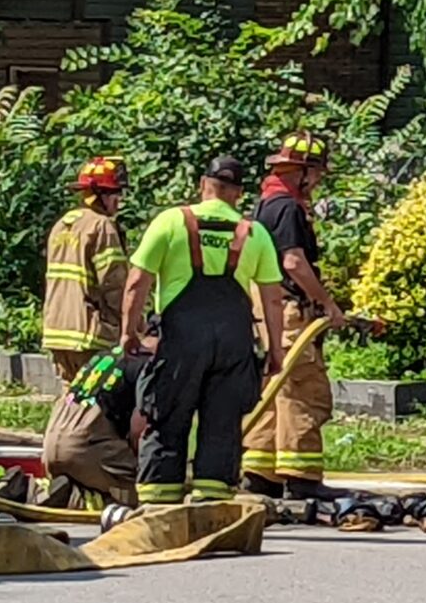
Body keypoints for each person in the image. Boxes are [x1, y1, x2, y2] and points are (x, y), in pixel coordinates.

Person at [121, 155, 287, 507]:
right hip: (234, 341)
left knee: (167, 413)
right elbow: (273, 299)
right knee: (223, 420)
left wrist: (129, 332)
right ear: (239, 194)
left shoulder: (171, 221)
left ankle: (157, 501)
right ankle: (211, 497)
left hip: (180, 340)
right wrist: (276, 351)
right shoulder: (254, 233)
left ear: (203, 185)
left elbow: (137, 282)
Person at [242, 135, 344, 501]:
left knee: (272, 389)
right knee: (304, 390)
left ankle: (261, 473)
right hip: (290, 311)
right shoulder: (288, 208)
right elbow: (294, 262)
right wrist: (327, 304)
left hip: (267, 309)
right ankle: (303, 477)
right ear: (301, 172)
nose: (317, 182)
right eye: (315, 173)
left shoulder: (265, 204)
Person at [40, 157, 130, 387]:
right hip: (89, 334)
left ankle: (62, 425)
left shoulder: (62, 225)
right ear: (100, 194)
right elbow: (114, 283)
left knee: (71, 401)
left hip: (57, 331)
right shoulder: (101, 226)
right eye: (115, 193)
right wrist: (133, 323)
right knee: (96, 404)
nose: (119, 200)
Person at [41, 351, 138, 510]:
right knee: (151, 481)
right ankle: (79, 499)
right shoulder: (147, 365)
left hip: (50, 446)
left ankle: (31, 489)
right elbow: (140, 430)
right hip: (85, 446)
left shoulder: (102, 356)